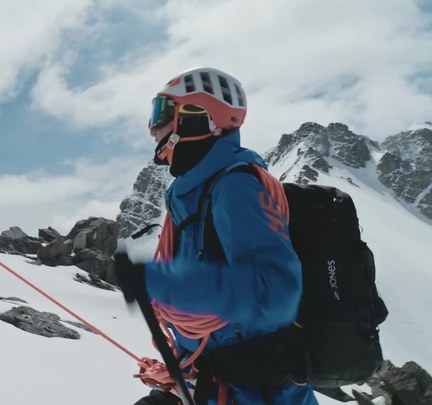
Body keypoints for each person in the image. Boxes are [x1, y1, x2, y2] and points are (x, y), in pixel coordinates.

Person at [114, 67, 318, 404]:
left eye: (163, 113)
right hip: (209, 382)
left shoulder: (237, 186)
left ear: (200, 118)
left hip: (257, 393)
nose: (154, 129)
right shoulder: (190, 197)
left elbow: (274, 292)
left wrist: (155, 280)